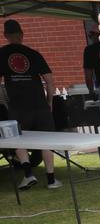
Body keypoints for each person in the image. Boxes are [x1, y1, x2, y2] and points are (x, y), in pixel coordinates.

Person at [0, 19, 62, 189]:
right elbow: (49, 81)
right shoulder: (33, 53)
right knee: (46, 140)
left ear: (5, 35)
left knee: (17, 139)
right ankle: (51, 179)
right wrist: (49, 101)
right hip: (40, 104)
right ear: (22, 34)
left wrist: (4, 103)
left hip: (18, 106)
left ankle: (28, 174)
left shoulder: (2, 54)